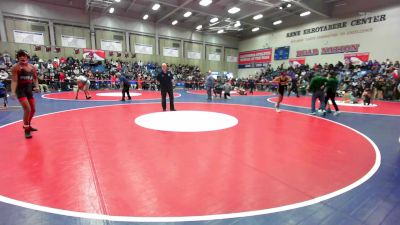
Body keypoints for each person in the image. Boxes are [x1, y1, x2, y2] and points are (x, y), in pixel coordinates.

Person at [10, 50, 40, 139]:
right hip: (20, 91)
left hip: (29, 90)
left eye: (24, 56)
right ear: (18, 58)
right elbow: (14, 80)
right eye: (20, 56)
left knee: (33, 110)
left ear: (27, 57)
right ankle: (26, 130)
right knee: (27, 109)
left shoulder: (32, 67)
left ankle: (28, 125)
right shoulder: (16, 68)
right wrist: (12, 91)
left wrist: (37, 86)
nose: (22, 57)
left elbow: (35, 78)